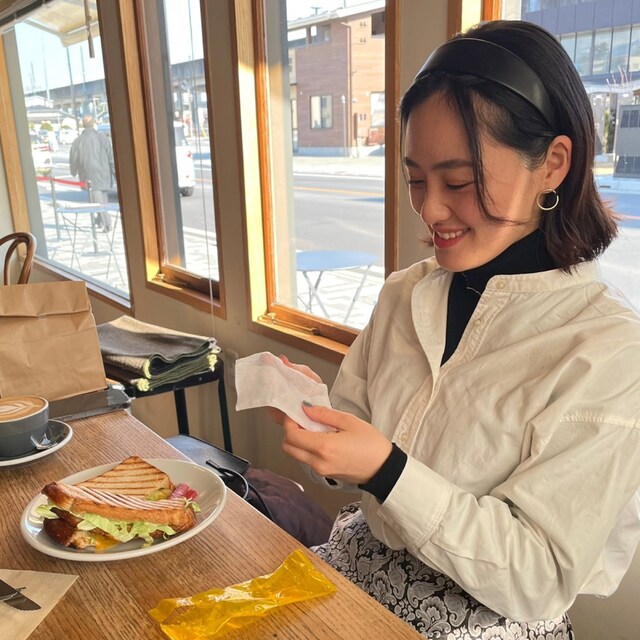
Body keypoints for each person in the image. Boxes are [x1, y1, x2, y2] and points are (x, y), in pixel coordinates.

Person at [269, 20, 640, 639]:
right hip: (355, 569)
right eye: (415, 179)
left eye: (459, 181)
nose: (430, 208)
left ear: (553, 164)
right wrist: (317, 421)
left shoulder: (606, 349)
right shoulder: (405, 294)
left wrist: (388, 471)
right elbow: (354, 442)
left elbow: (539, 576)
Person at [69, 115, 114, 232]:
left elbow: (74, 159)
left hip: (89, 175)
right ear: (94, 124)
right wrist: (114, 171)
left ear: (83, 125)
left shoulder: (78, 141)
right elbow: (111, 156)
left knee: (97, 200)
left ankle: (107, 224)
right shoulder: (102, 138)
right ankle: (100, 221)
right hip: (104, 174)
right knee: (102, 198)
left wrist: (73, 171)